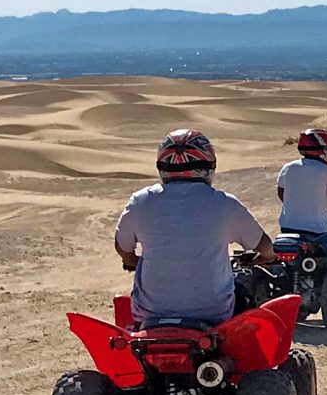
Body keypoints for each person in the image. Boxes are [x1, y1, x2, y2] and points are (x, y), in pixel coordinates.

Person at [113, 130, 265, 325]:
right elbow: (264, 245)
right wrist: (267, 257)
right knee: (244, 296)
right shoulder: (224, 204)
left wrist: (131, 260)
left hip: (150, 314)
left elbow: (122, 245)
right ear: (209, 166)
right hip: (214, 314)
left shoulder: (141, 201)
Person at [275, 127, 327, 237]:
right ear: (322, 149)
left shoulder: (287, 168)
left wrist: (298, 206)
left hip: (287, 227)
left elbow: (281, 193)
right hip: (317, 229)